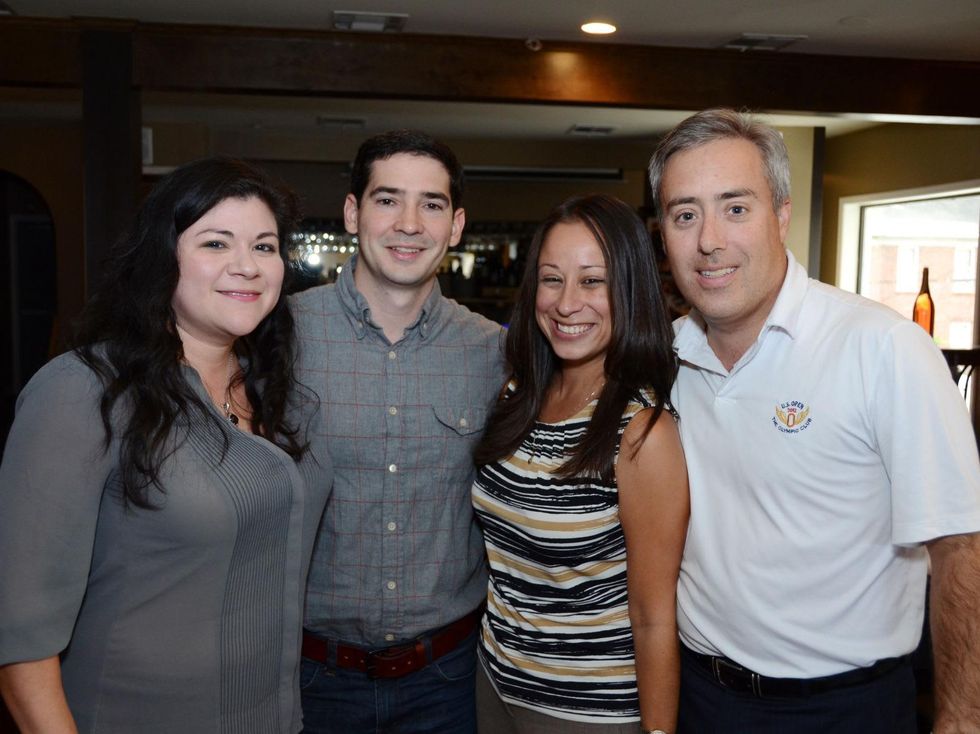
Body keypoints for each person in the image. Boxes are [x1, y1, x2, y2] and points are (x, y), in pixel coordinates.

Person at [648, 108, 980, 733]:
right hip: (701, 699)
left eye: (736, 208)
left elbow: (962, 546)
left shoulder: (884, 348)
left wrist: (962, 719)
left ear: (781, 214)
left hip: (844, 709)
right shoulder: (664, 358)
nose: (709, 239)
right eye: (684, 214)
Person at [0, 156, 332, 733]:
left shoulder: (283, 396)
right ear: (163, 256)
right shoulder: (83, 391)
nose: (246, 267)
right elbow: (21, 639)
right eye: (215, 243)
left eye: (264, 246)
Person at [293, 130, 506, 733]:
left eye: (431, 204)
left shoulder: (494, 352)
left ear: (456, 224)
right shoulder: (279, 336)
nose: (409, 223)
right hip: (311, 679)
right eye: (388, 200)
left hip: (448, 681)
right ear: (353, 213)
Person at [472, 194, 689, 734]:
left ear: (630, 290)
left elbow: (654, 616)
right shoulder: (519, 393)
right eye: (552, 279)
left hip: (585, 709)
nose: (568, 303)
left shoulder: (643, 432)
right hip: (493, 681)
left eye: (593, 281)